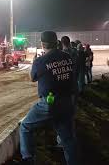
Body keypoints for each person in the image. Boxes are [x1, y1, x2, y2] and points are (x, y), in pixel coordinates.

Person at [20, 31, 77, 165]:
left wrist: (35, 62)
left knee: (25, 127)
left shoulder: (41, 61)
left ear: (42, 44)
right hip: (68, 101)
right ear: (56, 42)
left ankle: (27, 158)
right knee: (68, 139)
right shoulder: (67, 57)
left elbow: (32, 78)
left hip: (50, 103)